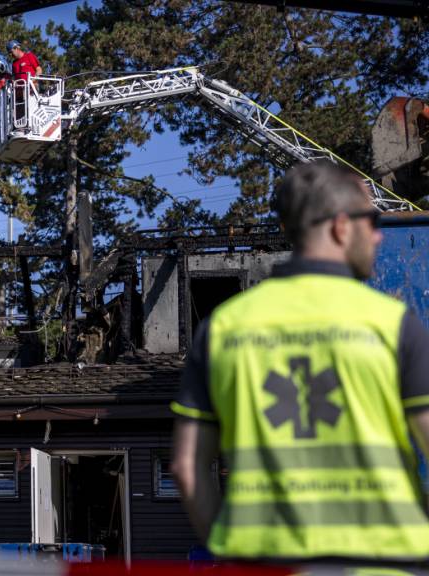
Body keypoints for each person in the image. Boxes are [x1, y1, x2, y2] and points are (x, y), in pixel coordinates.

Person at [171, 160, 429, 564]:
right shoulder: (392, 324)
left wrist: (229, 553)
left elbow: (187, 466)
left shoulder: (223, 328)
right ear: (342, 226)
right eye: (371, 221)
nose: (378, 236)